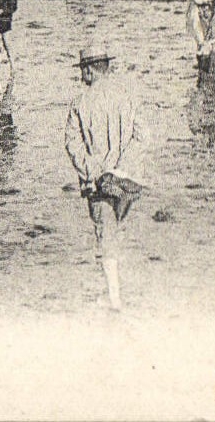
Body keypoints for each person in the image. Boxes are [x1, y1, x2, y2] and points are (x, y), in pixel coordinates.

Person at [64, 45, 149, 310]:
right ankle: (118, 289)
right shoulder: (128, 96)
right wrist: (122, 168)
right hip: (127, 180)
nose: (82, 75)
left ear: (89, 70)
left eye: (82, 70)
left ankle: (114, 299)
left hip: (98, 182)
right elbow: (143, 136)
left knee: (106, 234)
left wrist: (97, 172)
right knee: (116, 228)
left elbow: (73, 145)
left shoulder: (80, 103)